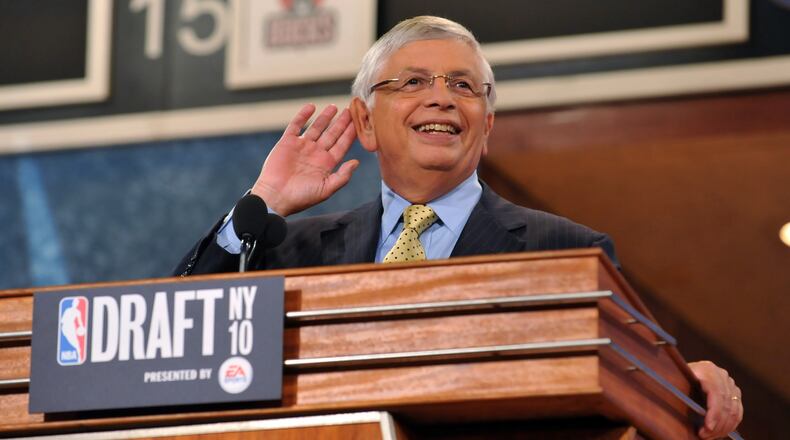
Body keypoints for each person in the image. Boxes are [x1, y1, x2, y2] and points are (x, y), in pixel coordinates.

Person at [174, 16, 743, 438]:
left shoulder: (566, 251)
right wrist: (264, 202)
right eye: (415, 82)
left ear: (486, 125)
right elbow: (177, 344)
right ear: (365, 122)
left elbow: (633, 382)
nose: (443, 99)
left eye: (464, 86)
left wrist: (682, 384)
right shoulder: (291, 251)